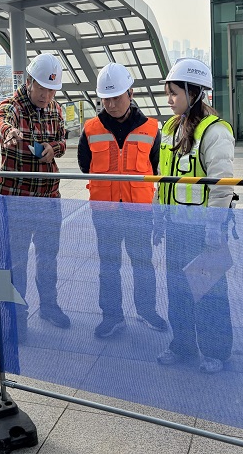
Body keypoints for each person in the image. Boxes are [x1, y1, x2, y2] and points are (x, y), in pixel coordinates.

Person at [155, 58, 235, 374]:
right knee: (178, 292)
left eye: (174, 93)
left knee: (210, 294)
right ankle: (183, 345)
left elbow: (222, 183)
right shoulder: (170, 128)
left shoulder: (215, 131)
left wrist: (215, 230)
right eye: (168, 93)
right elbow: (162, 177)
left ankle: (216, 351)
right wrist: (157, 219)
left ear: (195, 92)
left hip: (203, 232)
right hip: (176, 227)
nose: (169, 99)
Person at [78, 63, 168, 338]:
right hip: (104, 210)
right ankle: (112, 316)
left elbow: (156, 165)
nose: (112, 103)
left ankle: (146, 310)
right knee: (108, 264)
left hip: (138, 210)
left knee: (142, 262)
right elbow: (84, 164)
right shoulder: (91, 128)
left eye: (117, 96)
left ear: (130, 93)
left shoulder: (151, 128)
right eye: (106, 98)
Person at [0, 53, 70, 333]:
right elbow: (3, 119)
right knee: (16, 261)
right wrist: (9, 133)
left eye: (52, 89)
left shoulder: (56, 109)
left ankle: (49, 306)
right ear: (28, 82)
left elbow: (63, 138)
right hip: (17, 199)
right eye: (42, 88)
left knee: (48, 257)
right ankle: (18, 317)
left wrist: (56, 149)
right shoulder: (12, 105)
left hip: (49, 197)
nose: (46, 94)